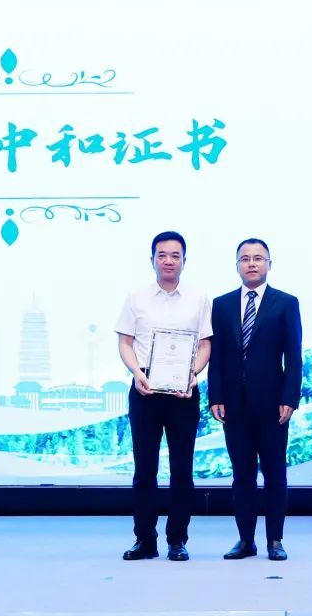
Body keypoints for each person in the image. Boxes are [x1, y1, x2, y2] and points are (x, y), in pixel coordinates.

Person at [115, 230, 212, 561]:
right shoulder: (136, 298)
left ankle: (177, 540)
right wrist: (136, 373)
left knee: (182, 469)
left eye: (175, 255)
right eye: (162, 255)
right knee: (145, 469)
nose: (168, 261)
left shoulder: (199, 299)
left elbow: (205, 344)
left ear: (184, 261)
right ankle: (145, 540)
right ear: (152, 259)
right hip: (145, 390)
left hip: (184, 393)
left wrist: (192, 374)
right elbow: (125, 342)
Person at [208, 238, 302, 561]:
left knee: (275, 474)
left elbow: (294, 355)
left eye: (258, 258)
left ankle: (275, 540)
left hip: (273, 405)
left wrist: (290, 397)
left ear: (269, 264)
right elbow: (217, 355)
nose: (251, 263)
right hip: (234, 405)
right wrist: (216, 395)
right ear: (237, 265)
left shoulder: (286, 303)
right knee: (242, 475)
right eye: (245, 258)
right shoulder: (221, 305)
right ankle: (245, 540)